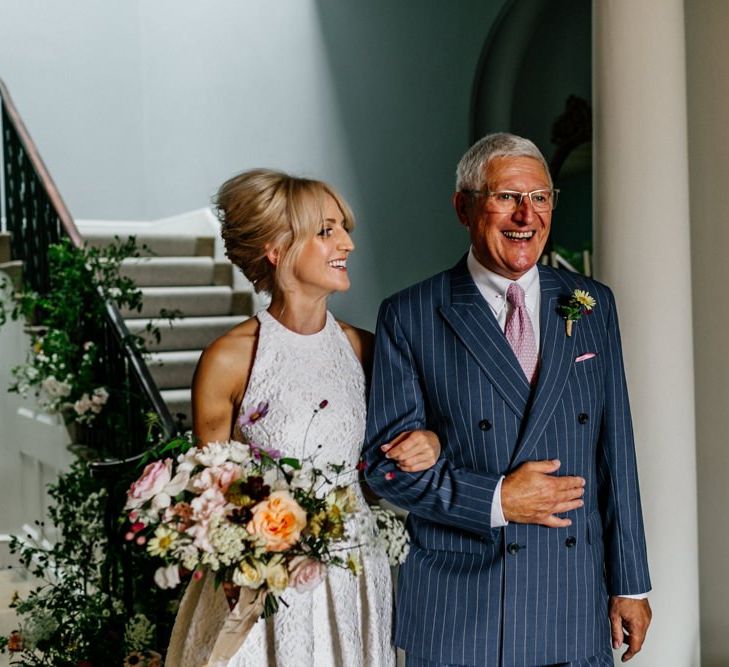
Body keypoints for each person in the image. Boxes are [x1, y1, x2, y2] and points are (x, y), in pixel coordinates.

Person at [364, 133, 652, 666]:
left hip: (573, 603)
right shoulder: (411, 314)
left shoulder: (591, 305)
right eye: (506, 196)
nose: (527, 214)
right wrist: (498, 499)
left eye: (540, 197)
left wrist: (630, 582)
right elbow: (387, 473)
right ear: (464, 207)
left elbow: (617, 449)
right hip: (463, 610)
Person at [165, 169, 440, 666]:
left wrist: (430, 445)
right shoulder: (227, 360)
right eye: (327, 230)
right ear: (277, 248)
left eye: (344, 229)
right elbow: (207, 497)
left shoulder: (368, 351)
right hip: (260, 588)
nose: (348, 244)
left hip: (353, 577)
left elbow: (382, 475)